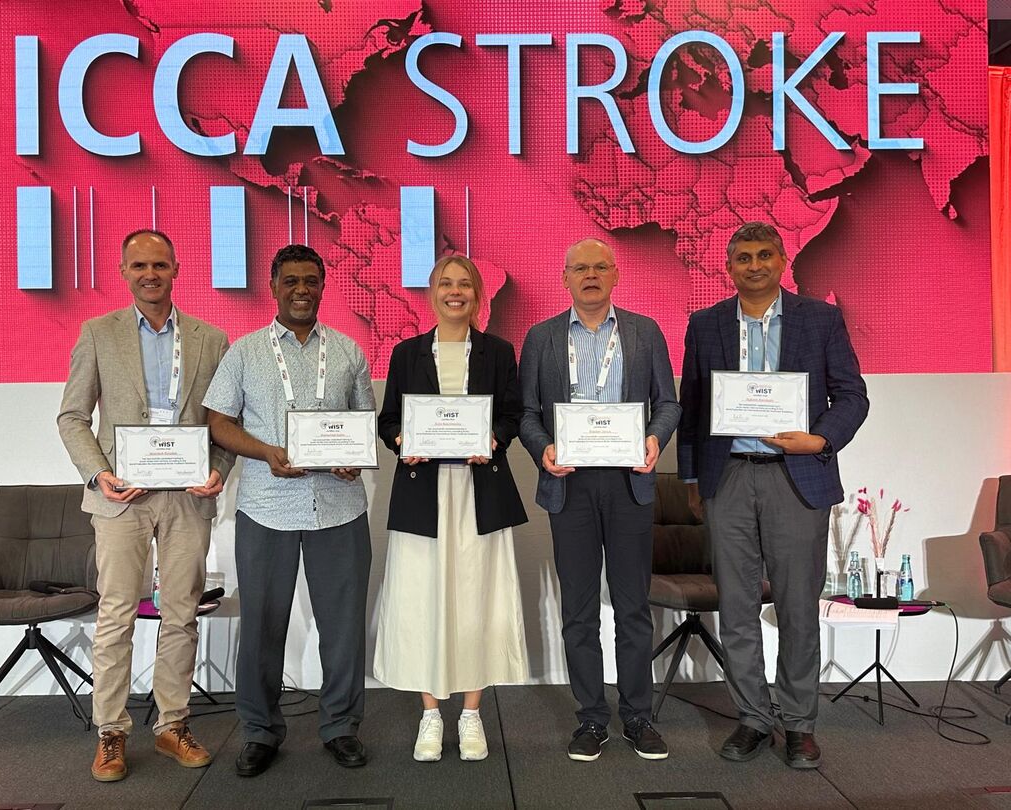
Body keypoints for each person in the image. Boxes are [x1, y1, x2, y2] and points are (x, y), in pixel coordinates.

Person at [678, 221, 869, 769]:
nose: (754, 264)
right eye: (743, 257)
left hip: (797, 474)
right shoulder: (705, 324)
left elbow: (853, 396)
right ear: (729, 265)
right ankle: (752, 718)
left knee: (796, 605)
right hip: (728, 476)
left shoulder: (821, 319)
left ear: (783, 259)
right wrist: (692, 479)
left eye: (764, 255)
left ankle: (799, 724)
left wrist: (823, 438)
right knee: (737, 607)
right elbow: (692, 409)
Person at [57, 230, 234, 782]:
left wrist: (218, 471)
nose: (150, 273)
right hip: (120, 499)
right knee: (116, 615)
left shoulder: (210, 339)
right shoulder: (97, 334)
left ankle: (171, 725)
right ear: (123, 271)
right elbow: (71, 417)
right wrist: (99, 473)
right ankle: (111, 732)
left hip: (186, 498)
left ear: (177, 269)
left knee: (180, 613)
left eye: (160, 263)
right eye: (139, 265)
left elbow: (224, 424)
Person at [204, 244, 374, 777]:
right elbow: (217, 421)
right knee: (261, 624)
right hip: (266, 506)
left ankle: (341, 726)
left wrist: (352, 460)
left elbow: (363, 424)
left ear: (324, 287)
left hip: (339, 508)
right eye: (291, 281)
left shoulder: (348, 351)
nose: (302, 290)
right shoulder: (245, 352)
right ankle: (259, 731)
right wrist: (265, 452)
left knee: (343, 626)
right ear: (273, 287)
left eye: (311, 281)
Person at [519, 238, 681, 762]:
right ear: (564, 278)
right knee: (579, 611)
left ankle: (638, 716)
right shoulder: (541, 338)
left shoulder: (644, 332)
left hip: (628, 483)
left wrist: (655, 438)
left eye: (599, 267)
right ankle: (591, 719)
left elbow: (669, 404)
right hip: (569, 485)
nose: (590, 275)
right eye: (579, 268)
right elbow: (526, 414)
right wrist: (543, 449)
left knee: (633, 608)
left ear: (616, 275)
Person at [373, 255, 529, 763]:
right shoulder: (406, 353)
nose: (455, 291)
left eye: (464, 284)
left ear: (478, 294)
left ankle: (470, 714)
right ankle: (430, 715)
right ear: (431, 293)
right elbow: (389, 419)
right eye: (446, 283)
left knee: (477, 599)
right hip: (424, 493)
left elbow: (511, 414)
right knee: (423, 600)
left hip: (479, 494)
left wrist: (493, 438)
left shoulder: (500, 351)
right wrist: (402, 439)